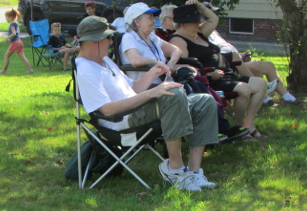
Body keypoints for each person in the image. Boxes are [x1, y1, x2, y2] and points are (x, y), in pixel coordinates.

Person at [75, 16, 219, 192]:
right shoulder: (85, 69)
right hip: (120, 123)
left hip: (137, 112)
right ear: (94, 41)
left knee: (204, 101)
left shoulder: (105, 61)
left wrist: (152, 73)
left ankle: (194, 172)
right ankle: (175, 169)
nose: (111, 41)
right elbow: (106, 109)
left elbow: (133, 88)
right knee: (171, 94)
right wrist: (152, 92)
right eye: (107, 38)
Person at [170, 0, 269, 139]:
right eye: (195, 22)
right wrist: (208, 72)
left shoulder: (198, 34)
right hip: (211, 80)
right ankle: (240, 129)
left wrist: (199, 6)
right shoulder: (178, 40)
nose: (199, 24)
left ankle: (248, 124)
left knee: (261, 84)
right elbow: (182, 67)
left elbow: (213, 19)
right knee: (244, 89)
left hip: (226, 75)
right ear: (183, 24)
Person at [207, 28, 306, 106]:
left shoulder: (213, 31)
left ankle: (287, 97)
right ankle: (263, 95)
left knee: (269, 65)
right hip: (226, 65)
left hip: (237, 59)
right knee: (256, 65)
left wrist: (241, 55)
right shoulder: (201, 33)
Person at [119, 2, 182, 85]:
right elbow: (136, 60)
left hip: (163, 83)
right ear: (137, 22)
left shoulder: (152, 37)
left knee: (195, 84)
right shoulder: (129, 37)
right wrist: (157, 63)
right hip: (144, 88)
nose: (155, 21)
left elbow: (177, 50)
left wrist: (171, 64)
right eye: (150, 18)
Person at [0, 8, 34, 75]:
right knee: (23, 57)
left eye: (6, 17)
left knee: (6, 56)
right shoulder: (16, 23)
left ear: (10, 17)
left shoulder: (12, 24)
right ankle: (30, 69)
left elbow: (14, 33)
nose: (5, 19)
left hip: (15, 43)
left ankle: (3, 70)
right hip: (19, 42)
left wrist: (6, 38)